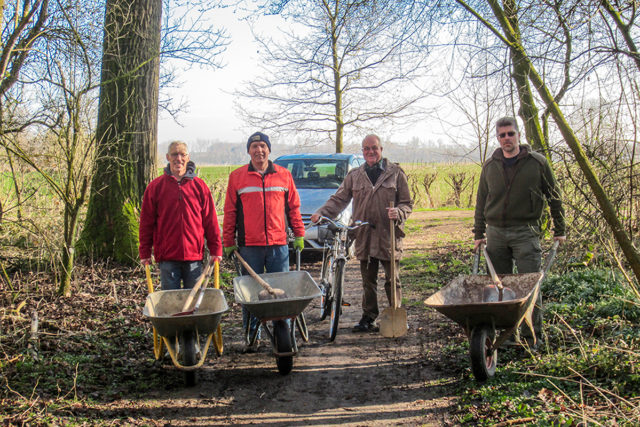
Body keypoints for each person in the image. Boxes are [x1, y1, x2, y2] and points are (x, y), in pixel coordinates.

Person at [473, 117, 566, 341]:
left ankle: (532, 338)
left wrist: (559, 228)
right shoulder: (489, 166)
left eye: (510, 134)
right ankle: (503, 338)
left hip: (526, 232)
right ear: (497, 138)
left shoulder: (537, 163)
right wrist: (478, 233)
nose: (507, 138)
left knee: (529, 287)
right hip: (496, 234)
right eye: (502, 135)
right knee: (499, 288)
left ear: (518, 135)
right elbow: (481, 201)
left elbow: (555, 198)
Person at [310, 134, 413, 333]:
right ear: (362, 151)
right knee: (368, 281)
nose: (370, 152)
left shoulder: (396, 173)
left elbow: (407, 203)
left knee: (393, 279)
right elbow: (338, 200)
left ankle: (396, 314)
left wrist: (399, 212)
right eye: (366, 149)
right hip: (364, 234)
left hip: (388, 235)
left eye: (374, 148)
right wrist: (321, 213)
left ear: (381, 149)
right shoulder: (355, 176)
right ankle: (369, 317)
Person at [223, 131, 305, 351]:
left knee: (281, 292)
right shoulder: (237, 177)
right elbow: (230, 211)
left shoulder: (283, 175)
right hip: (249, 247)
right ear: (248, 151)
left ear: (269, 149)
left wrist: (299, 234)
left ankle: (283, 331)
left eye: (263, 146)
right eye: (254, 146)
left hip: (278, 245)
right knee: (250, 294)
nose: (259, 150)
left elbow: (294, 208)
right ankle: (252, 335)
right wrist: (228, 240)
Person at [139, 141, 222, 289]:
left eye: (182, 154)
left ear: (188, 157)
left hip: (194, 257)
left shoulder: (199, 186)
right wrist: (144, 252)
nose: (179, 158)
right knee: (171, 303)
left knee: (194, 304)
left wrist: (216, 250)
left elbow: (210, 221)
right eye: (174, 154)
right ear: (168, 157)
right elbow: (146, 223)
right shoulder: (155, 187)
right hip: (167, 258)